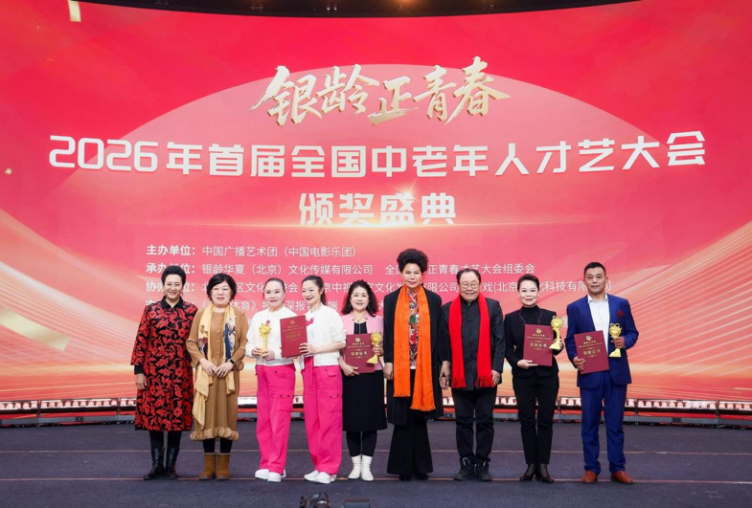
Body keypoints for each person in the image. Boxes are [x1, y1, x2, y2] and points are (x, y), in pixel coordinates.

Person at [564, 262, 639, 485]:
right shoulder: (574, 308)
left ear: (606, 280)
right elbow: (570, 340)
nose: (595, 280)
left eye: (599, 276)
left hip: (616, 372)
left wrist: (625, 340)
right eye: (590, 277)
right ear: (584, 281)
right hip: (590, 372)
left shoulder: (621, 304)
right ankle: (591, 468)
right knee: (589, 424)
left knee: (615, 424)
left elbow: (633, 332)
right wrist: (574, 357)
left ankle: (618, 468)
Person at [383, 248, 451, 481]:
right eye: (407, 272)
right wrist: (388, 361)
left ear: (423, 274)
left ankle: (421, 467)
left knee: (420, 417)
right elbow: (387, 334)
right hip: (400, 368)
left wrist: (445, 362)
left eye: (416, 272)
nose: (412, 276)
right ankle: (403, 467)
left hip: (425, 368)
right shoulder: (391, 300)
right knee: (402, 418)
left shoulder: (433, 299)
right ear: (400, 273)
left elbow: (441, 333)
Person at [131, 265, 198, 480]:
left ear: (183, 286)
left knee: (176, 419)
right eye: (169, 284)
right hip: (154, 374)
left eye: (177, 284)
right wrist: (139, 371)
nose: (173, 288)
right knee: (155, 419)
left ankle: (171, 466)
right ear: (163, 285)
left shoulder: (191, 311)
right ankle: (156, 465)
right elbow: (141, 340)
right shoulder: (151, 310)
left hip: (180, 374)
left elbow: (197, 342)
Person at [442, 268, 505, 482]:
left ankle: (483, 463)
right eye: (465, 284)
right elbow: (444, 343)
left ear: (480, 284)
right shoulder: (447, 309)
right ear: (458, 286)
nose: (469, 288)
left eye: (473, 283)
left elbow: (500, 340)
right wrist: (445, 366)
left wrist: (497, 368)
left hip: (487, 374)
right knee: (463, 421)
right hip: (460, 375)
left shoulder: (493, 306)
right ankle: (466, 463)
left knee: (485, 420)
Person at [186, 273, 248, 481]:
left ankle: (223, 467)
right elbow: (191, 343)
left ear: (232, 292)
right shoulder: (201, 314)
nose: (220, 293)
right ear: (209, 292)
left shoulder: (239, 315)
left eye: (225, 288)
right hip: (207, 374)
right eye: (216, 288)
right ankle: (208, 467)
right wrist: (203, 362)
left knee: (227, 417)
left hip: (228, 375)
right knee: (207, 418)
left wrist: (231, 362)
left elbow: (244, 343)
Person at [504, 274, 562, 483]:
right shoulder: (510, 318)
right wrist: (516, 362)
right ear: (518, 293)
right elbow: (506, 348)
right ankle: (530, 465)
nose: (528, 294)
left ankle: (543, 466)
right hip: (523, 376)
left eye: (532, 290)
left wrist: (559, 345)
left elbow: (556, 347)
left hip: (548, 376)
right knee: (527, 421)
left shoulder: (550, 316)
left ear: (538, 291)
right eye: (524, 290)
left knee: (545, 421)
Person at [247, 278, 297, 483]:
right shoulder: (258, 316)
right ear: (263, 295)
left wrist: (275, 353)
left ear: (285, 294)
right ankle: (266, 463)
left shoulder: (291, 317)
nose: (273, 296)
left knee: (279, 422)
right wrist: (253, 351)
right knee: (264, 421)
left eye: (277, 291)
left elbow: (296, 349)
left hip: (281, 371)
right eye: (269, 292)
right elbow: (248, 342)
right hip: (262, 372)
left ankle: (277, 466)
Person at [300, 275, 347, 485]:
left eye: (311, 289)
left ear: (321, 290)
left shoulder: (330, 314)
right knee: (313, 421)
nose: (307, 294)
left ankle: (329, 468)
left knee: (329, 421)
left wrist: (316, 349)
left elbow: (341, 342)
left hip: (327, 368)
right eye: (304, 290)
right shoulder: (302, 318)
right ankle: (318, 465)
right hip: (308, 370)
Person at [339, 280, 387, 482]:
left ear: (369, 299)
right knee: (351, 422)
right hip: (349, 376)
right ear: (350, 299)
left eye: (363, 295)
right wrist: (342, 364)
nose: (359, 299)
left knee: (370, 421)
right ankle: (355, 466)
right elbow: (335, 348)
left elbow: (386, 348)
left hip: (372, 376)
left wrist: (381, 350)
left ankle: (366, 466)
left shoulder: (379, 320)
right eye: (356, 295)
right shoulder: (340, 320)